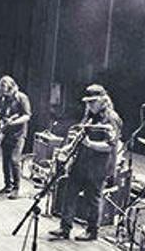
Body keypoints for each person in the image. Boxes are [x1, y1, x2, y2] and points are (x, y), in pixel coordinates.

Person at [49, 84, 122, 242]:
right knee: (70, 193)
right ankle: (65, 227)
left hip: (98, 166)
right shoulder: (90, 114)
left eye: (93, 102)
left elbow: (110, 146)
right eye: (87, 102)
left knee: (93, 199)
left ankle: (92, 231)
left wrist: (91, 145)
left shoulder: (111, 118)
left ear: (103, 101)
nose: (89, 105)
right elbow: (81, 134)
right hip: (82, 162)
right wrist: (68, 148)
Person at [0, 76, 32, 199]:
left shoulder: (22, 98)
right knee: (5, 161)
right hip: (6, 134)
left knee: (14, 160)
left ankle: (16, 188)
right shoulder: (5, 98)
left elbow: (27, 116)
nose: (4, 94)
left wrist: (13, 123)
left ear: (11, 87)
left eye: (5, 91)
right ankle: (7, 186)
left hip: (18, 135)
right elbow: (0, 113)